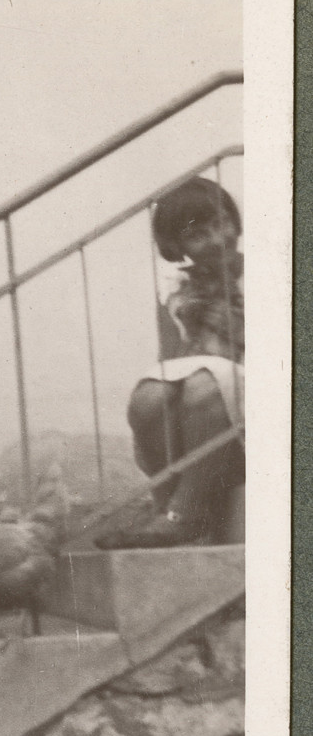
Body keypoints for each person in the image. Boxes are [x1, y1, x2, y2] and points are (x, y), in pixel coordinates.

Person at [96, 176, 244, 549]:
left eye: (221, 223)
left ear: (234, 219)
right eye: (198, 235)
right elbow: (169, 361)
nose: (216, 239)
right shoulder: (176, 290)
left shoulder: (272, 269)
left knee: (204, 384)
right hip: (208, 410)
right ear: (177, 246)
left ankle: (184, 516)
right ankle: (168, 506)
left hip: (260, 398)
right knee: (151, 394)